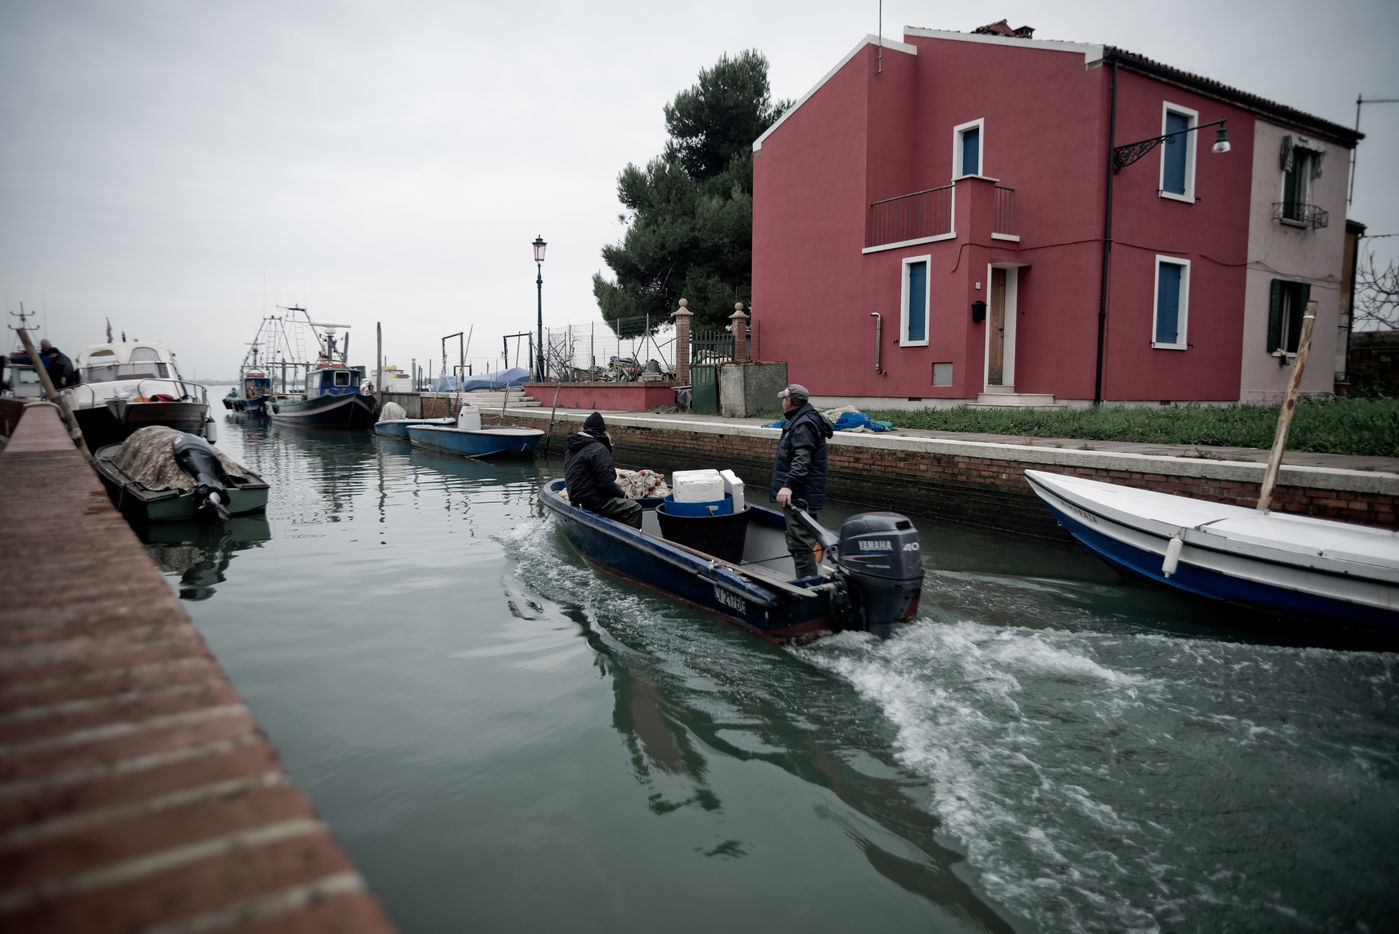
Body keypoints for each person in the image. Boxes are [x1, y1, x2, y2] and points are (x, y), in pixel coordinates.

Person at [769, 383, 833, 579]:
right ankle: (809, 581)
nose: (782, 402)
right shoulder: (804, 420)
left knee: (800, 544)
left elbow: (801, 460)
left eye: (784, 398)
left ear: (789, 401)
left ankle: (807, 586)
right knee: (803, 540)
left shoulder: (803, 424)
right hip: (805, 493)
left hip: (800, 495)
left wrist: (788, 486)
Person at [564, 411, 643, 529]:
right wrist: (624, 495)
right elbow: (605, 483)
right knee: (634, 508)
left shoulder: (571, 448)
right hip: (592, 501)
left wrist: (618, 491)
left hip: (576, 498)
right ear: (602, 432)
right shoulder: (599, 449)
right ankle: (627, 537)